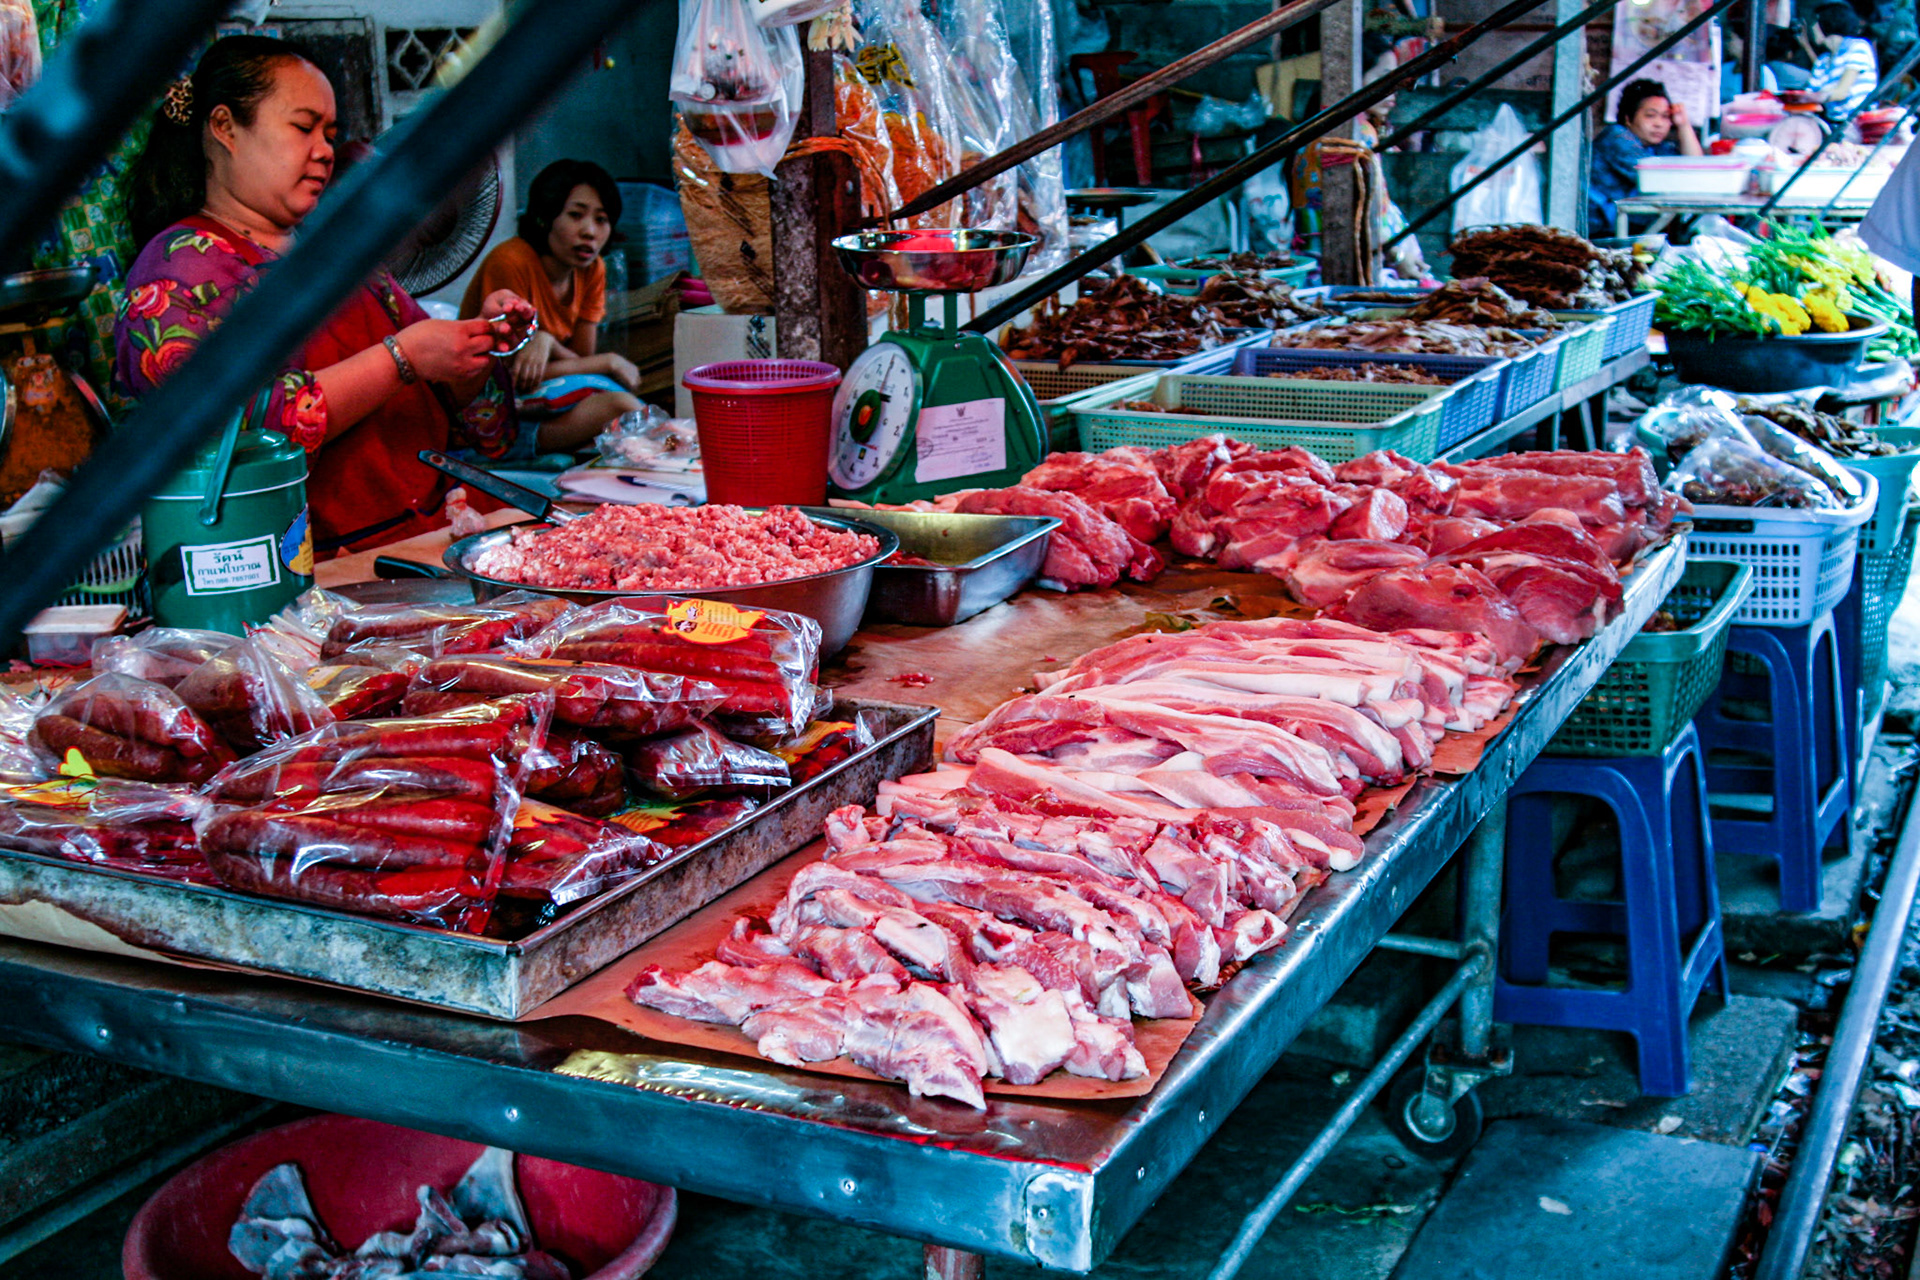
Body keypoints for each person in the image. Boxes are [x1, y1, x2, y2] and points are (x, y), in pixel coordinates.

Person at [114, 36, 537, 556]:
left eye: (329, 134)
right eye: (303, 127)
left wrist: (475, 349)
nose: (324, 151)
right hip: (312, 571)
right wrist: (400, 359)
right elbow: (237, 434)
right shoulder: (178, 271)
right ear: (225, 127)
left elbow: (470, 422)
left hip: (436, 540)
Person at [459, 160, 641, 455]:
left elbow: (582, 360)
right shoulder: (511, 261)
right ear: (545, 217)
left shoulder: (592, 269)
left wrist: (548, 343)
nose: (589, 232)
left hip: (548, 397)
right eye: (575, 215)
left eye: (601, 219)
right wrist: (609, 362)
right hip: (490, 407)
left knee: (628, 416)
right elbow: (512, 376)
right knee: (622, 407)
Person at [1588, 78, 1702, 238]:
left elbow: (1696, 167)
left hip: (1628, 229)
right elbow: (1663, 180)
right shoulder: (1616, 137)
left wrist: (1683, 124)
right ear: (1628, 119)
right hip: (1600, 232)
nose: (1659, 124)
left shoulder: (1654, 147)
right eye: (1650, 116)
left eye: (1665, 117)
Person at [1803, 3, 1878, 120]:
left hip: (1858, 121)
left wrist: (1812, 97)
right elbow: (1809, 93)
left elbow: (1841, 92)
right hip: (1831, 122)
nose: (1812, 28)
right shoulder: (1822, 61)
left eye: (1815, 23)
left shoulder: (1857, 47)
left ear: (1825, 23)